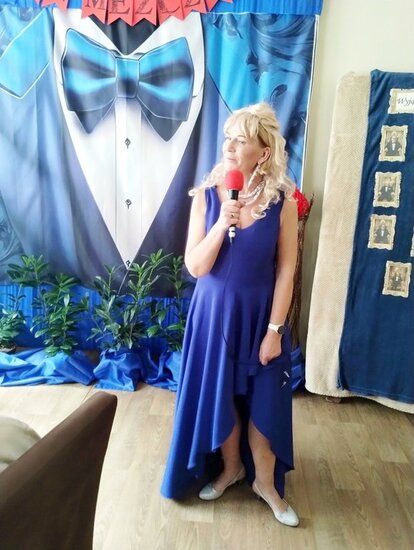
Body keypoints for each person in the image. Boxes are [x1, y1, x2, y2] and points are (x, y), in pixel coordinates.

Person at [161, 103, 299, 527]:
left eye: (241, 140)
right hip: (212, 318)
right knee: (221, 395)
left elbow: (287, 269)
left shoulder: (283, 203)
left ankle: (266, 483)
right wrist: (222, 223)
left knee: (263, 400)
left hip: (261, 317)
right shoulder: (207, 195)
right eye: (228, 138)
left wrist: (275, 330)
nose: (230, 147)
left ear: (263, 152)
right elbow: (196, 266)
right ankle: (231, 468)